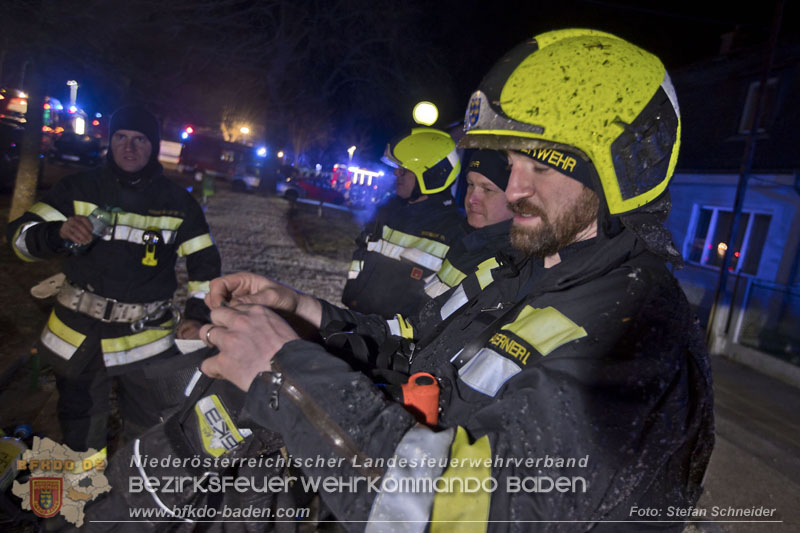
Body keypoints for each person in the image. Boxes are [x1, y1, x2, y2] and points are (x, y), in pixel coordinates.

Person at [6, 105, 221, 452]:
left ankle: (133, 499)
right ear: (110, 141)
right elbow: (19, 240)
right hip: (78, 334)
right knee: (79, 429)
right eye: (120, 137)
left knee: (149, 432)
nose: (129, 147)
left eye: (139, 140)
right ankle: (85, 497)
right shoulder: (77, 187)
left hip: (145, 340)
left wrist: (197, 316)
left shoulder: (178, 204)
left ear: (152, 146)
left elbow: (206, 267)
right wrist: (55, 233)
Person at [342, 127, 468, 319]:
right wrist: (352, 292)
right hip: (358, 316)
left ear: (431, 175)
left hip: (397, 339)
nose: (396, 174)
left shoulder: (453, 231)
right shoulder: (387, 210)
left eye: (404, 170)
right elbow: (361, 252)